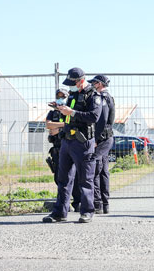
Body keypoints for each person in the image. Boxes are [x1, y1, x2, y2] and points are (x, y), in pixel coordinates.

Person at [43, 67, 102, 223]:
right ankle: (59, 213)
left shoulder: (93, 95)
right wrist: (60, 109)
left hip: (82, 142)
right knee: (63, 179)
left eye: (72, 83)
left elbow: (94, 116)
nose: (70, 86)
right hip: (67, 141)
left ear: (81, 81)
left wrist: (72, 113)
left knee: (85, 179)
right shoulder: (73, 95)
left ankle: (87, 211)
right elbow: (68, 115)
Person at [90, 75, 115, 214]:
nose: (92, 85)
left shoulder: (103, 98)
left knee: (94, 170)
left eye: (94, 83)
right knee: (103, 171)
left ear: (99, 84)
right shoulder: (107, 97)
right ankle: (104, 204)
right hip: (106, 137)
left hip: (102, 139)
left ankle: (98, 204)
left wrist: (96, 139)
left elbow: (103, 120)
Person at [45, 89, 68, 186]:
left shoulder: (69, 112)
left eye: (63, 97)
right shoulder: (52, 113)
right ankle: (61, 199)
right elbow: (48, 125)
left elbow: (72, 124)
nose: (60, 99)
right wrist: (63, 125)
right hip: (57, 148)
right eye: (58, 97)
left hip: (68, 147)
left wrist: (58, 129)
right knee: (58, 177)